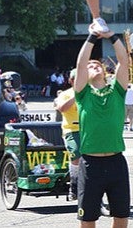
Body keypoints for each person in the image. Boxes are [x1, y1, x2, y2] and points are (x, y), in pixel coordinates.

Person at [73, 28, 130, 227]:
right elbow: (81, 63)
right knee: (88, 219)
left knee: (121, 217)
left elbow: (124, 61)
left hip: (116, 163)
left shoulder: (117, 91)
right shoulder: (83, 93)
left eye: (97, 65)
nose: (94, 66)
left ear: (105, 72)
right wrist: (91, 37)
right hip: (91, 164)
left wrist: (112, 36)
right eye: (90, 66)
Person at [55, 69, 81, 200]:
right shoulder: (65, 94)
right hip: (72, 130)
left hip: (89, 130)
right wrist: (77, 94)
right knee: (76, 152)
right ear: (71, 81)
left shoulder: (91, 93)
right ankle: (74, 184)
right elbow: (61, 108)